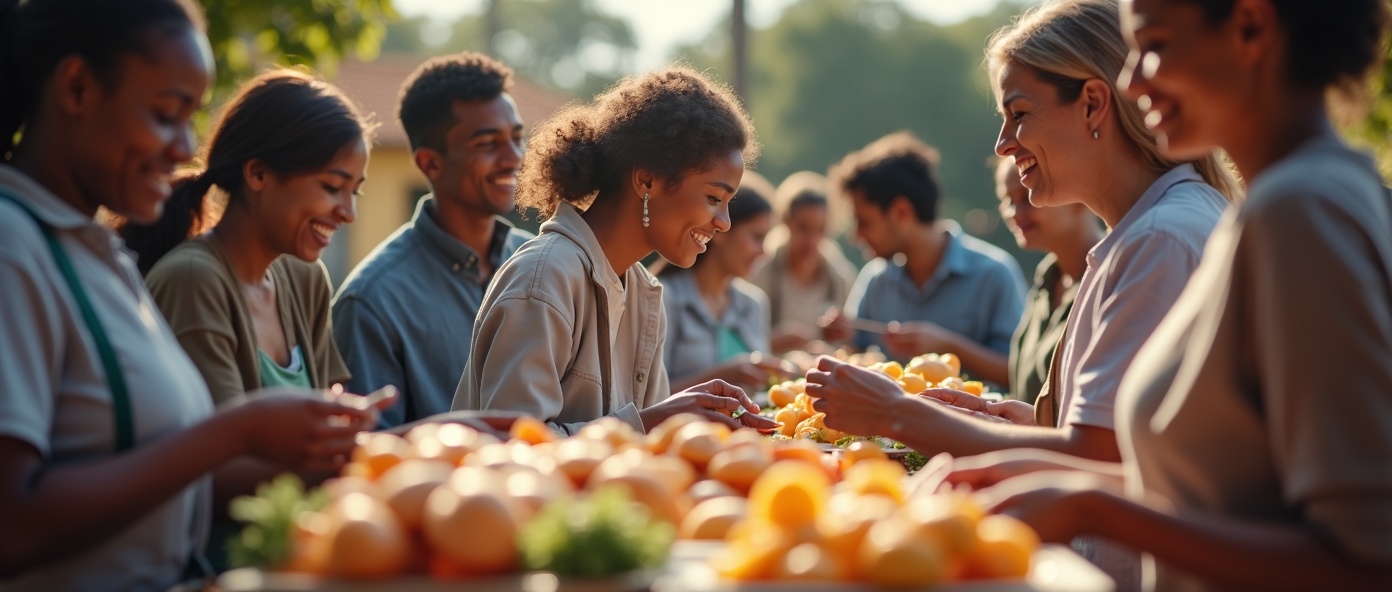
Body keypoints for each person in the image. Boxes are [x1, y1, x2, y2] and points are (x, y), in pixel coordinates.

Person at [924, 0, 1392, 590]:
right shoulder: (1291, 201)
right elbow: (1237, 497)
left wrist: (1089, 506)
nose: (1131, 80)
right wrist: (1039, 476)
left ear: (1250, 27)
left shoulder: (1298, 209)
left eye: (1154, 45)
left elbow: (1366, 558)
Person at [0, 1, 378, 589]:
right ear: (76, 87)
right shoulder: (13, 244)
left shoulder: (96, 254)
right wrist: (238, 431)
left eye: (191, 119)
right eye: (165, 114)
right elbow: (12, 525)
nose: (185, 148)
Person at [805, 0, 1239, 497]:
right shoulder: (1151, 230)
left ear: (1094, 104)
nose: (1003, 144)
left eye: (1019, 114)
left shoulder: (1159, 238)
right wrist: (1025, 422)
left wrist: (896, 413)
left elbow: (1094, 462)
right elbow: (1129, 444)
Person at [451, 67, 778, 436]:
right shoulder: (544, 279)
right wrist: (652, 422)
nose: (724, 222)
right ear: (646, 181)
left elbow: (642, 453)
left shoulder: (644, 293)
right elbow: (510, 447)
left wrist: (691, 422)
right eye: (714, 198)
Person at [332, 52, 532, 429]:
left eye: (517, 138)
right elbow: (365, 456)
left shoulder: (539, 263)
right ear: (430, 164)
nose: (513, 158)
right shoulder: (373, 301)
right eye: (488, 144)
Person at [820, 131, 1028, 383]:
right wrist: (843, 335)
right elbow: (855, 355)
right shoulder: (875, 279)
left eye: (864, 222)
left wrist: (947, 346)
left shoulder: (994, 274)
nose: (856, 236)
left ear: (901, 212)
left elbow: (1018, 373)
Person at [656, 169, 792, 391]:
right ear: (722, 229)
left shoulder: (754, 303)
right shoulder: (663, 298)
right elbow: (645, 401)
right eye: (757, 237)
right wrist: (723, 376)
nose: (764, 252)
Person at [994, 157, 1103, 404]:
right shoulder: (1045, 283)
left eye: (1028, 195)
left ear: (1079, 193)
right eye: (1007, 200)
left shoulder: (1113, 279)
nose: (1014, 212)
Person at [752, 171, 857, 354]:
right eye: (803, 228)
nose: (811, 240)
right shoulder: (760, 271)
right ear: (786, 222)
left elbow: (853, 345)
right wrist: (772, 342)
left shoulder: (841, 278)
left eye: (820, 230)